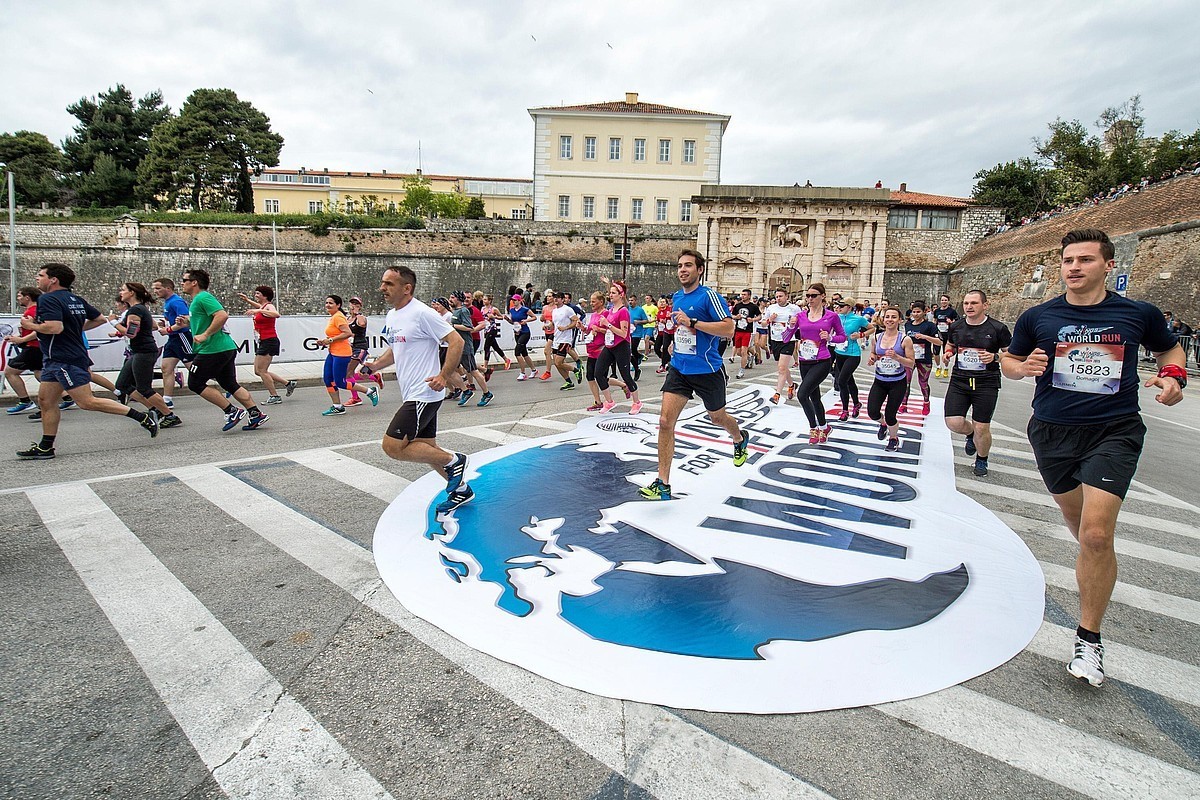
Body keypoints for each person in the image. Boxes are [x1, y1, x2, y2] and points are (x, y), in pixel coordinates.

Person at [1001, 228, 1185, 687]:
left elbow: (1168, 348)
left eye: (1085, 259)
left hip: (1115, 431)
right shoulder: (1039, 315)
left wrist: (1173, 376)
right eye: (1068, 260)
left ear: (1108, 265)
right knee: (1082, 526)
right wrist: (1021, 368)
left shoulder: (1136, 314)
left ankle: (1089, 638)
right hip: (1052, 433)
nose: (1074, 267)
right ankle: (1093, 559)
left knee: (1098, 534)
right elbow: (1010, 360)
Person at [16, 263, 160, 459]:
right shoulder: (75, 299)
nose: (37, 279)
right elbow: (100, 319)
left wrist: (29, 324)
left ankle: (143, 417)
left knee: (86, 402)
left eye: (41, 275)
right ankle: (46, 446)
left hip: (65, 359)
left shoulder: (48, 299)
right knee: (45, 401)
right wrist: (75, 330)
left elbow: (54, 328)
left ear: (53, 280)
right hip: (54, 359)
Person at [639, 249, 750, 501]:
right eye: (679, 266)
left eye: (688, 265)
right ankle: (663, 483)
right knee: (666, 422)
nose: (682, 270)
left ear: (700, 270)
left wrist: (693, 323)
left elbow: (728, 328)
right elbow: (683, 327)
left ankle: (739, 437)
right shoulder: (677, 296)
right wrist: (675, 342)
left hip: (708, 370)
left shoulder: (709, 296)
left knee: (717, 417)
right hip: (680, 368)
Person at [361, 265, 472, 515]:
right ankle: (461, 490)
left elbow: (456, 341)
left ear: (406, 288)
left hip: (425, 392)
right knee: (426, 447)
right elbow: (396, 349)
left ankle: (455, 460)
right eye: (383, 283)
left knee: (392, 447)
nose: (382, 288)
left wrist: (444, 376)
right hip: (411, 391)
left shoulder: (422, 313)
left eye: (389, 284)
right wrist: (376, 365)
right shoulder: (393, 316)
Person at [180, 268, 268, 432]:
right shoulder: (197, 301)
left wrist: (205, 334)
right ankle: (255, 413)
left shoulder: (203, 297)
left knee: (195, 383)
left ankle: (231, 411)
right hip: (224, 348)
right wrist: (186, 322)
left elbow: (222, 315)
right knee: (229, 383)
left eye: (184, 280)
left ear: (194, 282)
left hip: (212, 349)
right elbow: (205, 319)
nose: (182, 283)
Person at [943, 289, 1010, 477]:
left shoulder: (998, 328)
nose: (969, 307)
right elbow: (950, 345)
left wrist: (995, 356)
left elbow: (1013, 353)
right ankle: (970, 434)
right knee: (953, 422)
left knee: (982, 426)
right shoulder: (956, 326)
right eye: (966, 303)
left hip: (986, 382)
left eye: (974, 303)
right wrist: (948, 353)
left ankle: (982, 459)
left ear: (985, 305)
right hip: (960, 380)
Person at [113, 282, 181, 428]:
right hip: (139, 351)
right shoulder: (139, 309)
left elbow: (131, 333)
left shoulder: (135, 310)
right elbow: (154, 326)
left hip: (144, 351)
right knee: (122, 384)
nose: (121, 293)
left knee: (144, 388)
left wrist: (113, 322)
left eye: (123, 290)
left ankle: (169, 415)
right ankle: (155, 409)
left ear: (132, 293)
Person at [791, 283, 846, 444]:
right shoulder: (801, 315)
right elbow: (787, 337)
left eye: (813, 295)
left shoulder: (831, 316)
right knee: (814, 397)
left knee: (802, 394)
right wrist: (791, 326)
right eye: (807, 296)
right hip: (804, 360)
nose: (809, 299)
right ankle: (824, 427)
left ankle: (813, 427)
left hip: (822, 360)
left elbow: (842, 337)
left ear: (823, 296)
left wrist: (830, 338)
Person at [866, 307, 916, 452]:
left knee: (890, 415)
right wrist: (872, 359)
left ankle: (893, 438)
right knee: (872, 412)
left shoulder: (905, 339)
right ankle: (883, 424)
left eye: (893, 317)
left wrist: (897, 357)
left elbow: (911, 363)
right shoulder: (877, 337)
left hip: (897, 383)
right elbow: (874, 354)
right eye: (887, 317)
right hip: (880, 381)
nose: (890, 320)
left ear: (899, 320)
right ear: (883, 319)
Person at [239, 285, 296, 405]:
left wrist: (258, 311)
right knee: (258, 370)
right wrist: (248, 301)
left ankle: (274, 396)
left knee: (262, 370)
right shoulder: (264, 307)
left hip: (269, 340)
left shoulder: (269, 306)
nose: (256, 295)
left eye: (258, 293)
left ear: (265, 296)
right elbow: (260, 308)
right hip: (263, 340)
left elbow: (276, 314)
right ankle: (288, 383)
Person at [592, 281, 643, 414]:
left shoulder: (623, 311)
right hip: (610, 345)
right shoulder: (610, 310)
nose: (610, 295)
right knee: (598, 373)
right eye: (610, 292)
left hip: (621, 346)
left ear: (621, 295)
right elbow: (607, 328)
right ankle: (609, 402)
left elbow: (623, 333)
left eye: (614, 293)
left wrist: (607, 324)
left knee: (625, 375)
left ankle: (637, 403)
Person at [152, 277, 193, 409]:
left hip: (182, 337)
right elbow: (174, 320)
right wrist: (165, 324)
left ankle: (225, 383)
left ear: (168, 288)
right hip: (173, 339)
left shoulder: (177, 302)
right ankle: (167, 399)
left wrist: (168, 329)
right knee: (166, 368)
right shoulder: (168, 302)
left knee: (195, 369)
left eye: (158, 288)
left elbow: (185, 321)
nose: (155, 291)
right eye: (154, 288)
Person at [448, 290, 492, 406]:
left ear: (458, 299)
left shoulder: (463, 311)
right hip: (456, 346)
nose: (450, 299)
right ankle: (465, 391)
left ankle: (487, 393)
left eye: (452, 297)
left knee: (473, 371)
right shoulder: (455, 311)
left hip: (465, 346)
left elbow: (469, 327)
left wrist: (453, 326)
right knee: (450, 370)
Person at [831, 298, 871, 420]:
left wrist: (860, 335)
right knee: (849, 381)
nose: (839, 308)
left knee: (842, 380)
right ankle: (857, 403)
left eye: (842, 306)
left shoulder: (858, 319)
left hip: (853, 354)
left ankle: (845, 410)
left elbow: (872, 328)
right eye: (838, 306)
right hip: (839, 352)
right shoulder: (837, 317)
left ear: (849, 307)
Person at [5, 287, 43, 415]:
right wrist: (17, 338)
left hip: (34, 347)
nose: (18, 298)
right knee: (40, 374)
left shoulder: (32, 312)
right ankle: (66, 396)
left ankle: (25, 401)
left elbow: (38, 331)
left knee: (10, 372)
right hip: (36, 347)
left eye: (20, 295)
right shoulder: (35, 310)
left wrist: (21, 340)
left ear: (28, 297)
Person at [762, 288, 801, 405]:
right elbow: (763, 323)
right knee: (782, 367)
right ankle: (791, 384)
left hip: (788, 340)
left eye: (780, 296)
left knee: (781, 368)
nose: (778, 299)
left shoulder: (794, 309)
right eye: (777, 296)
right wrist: (770, 320)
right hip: (775, 340)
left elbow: (802, 322)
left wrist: (795, 322)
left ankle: (777, 394)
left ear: (786, 296)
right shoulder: (771, 308)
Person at [318, 295, 355, 414]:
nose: (327, 305)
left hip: (342, 353)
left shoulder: (338, 317)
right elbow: (335, 335)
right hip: (333, 352)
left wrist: (330, 340)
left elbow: (348, 333)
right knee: (328, 379)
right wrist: (325, 341)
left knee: (340, 382)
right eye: (326, 303)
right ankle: (337, 406)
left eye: (331, 303)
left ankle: (369, 391)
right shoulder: (334, 317)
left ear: (338, 305)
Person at [903, 300, 940, 416]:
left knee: (923, 382)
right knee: (905, 382)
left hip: (924, 359)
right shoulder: (907, 325)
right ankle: (904, 404)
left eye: (918, 312)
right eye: (914, 312)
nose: (916, 314)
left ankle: (926, 402)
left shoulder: (930, 326)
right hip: (909, 358)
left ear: (924, 312)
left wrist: (925, 337)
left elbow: (939, 342)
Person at [344, 296, 382, 406]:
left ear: (360, 306)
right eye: (352, 303)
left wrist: (357, 313)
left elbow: (362, 324)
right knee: (347, 375)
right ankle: (374, 377)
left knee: (347, 374)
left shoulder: (360, 317)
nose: (354, 306)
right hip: (350, 348)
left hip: (360, 348)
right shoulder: (347, 319)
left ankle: (356, 398)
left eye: (357, 304)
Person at [549, 292, 581, 390]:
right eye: (555, 297)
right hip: (557, 339)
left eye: (558, 298)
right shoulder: (554, 311)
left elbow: (576, 321)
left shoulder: (567, 309)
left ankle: (576, 370)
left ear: (563, 299)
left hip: (565, 339)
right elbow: (554, 323)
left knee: (559, 362)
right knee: (556, 363)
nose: (555, 299)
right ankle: (568, 382)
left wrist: (566, 328)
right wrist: (549, 326)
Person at [730, 288, 761, 379]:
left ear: (749, 296)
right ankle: (750, 357)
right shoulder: (738, 305)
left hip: (747, 331)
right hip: (738, 330)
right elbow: (731, 315)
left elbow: (759, 316)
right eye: (742, 294)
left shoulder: (753, 306)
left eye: (744, 295)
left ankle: (741, 371)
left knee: (743, 351)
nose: (742, 296)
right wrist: (736, 317)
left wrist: (753, 320)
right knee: (739, 352)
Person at [506, 295, 536, 379]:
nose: (514, 302)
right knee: (524, 353)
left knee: (517, 352)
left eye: (515, 300)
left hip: (525, 332)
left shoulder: (525, 309)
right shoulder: (512, 310)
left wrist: (526, 321)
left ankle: (522, 372)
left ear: (519, 301)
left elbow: (534, 317)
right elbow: (513, 322)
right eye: (513, 300)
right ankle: (533, 370)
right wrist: (507, 319)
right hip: (517, 332)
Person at [932, 294, 959, 377]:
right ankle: (938, 367)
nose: (944, 302)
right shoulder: (937, 311)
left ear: (948, 301)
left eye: (945, 300)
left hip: (947, 334)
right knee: (936, 352)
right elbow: (935, 320)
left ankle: (946, 368)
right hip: (938, 333)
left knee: (946, 352)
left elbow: (957, 321)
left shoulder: (952, 311)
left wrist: (951, 322)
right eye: (942, 300)